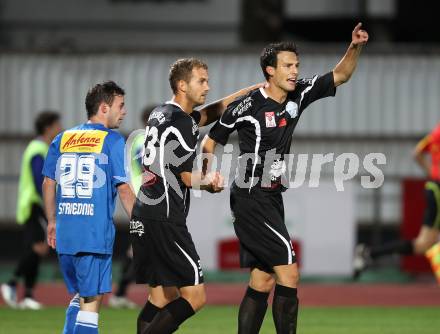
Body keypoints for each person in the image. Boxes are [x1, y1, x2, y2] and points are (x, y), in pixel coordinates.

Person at [201, 23, 368, 333]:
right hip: (251, 198)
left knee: (262, 279)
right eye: (288, 66)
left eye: (296, 65)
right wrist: (208, 173)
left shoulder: (300, 92)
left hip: (271, 197)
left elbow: (341, 75)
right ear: (270, 70)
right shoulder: (247, 106)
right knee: (289, 274)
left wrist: (355, 46)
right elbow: (211, 142)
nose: (294, 71)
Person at [130, 58, 263, 334]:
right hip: (166, 217)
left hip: (144, 214)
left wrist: (248, 93)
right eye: (201, 81)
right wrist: (210, 183)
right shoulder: (183, 124)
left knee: (161, 298)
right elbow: (185, 176)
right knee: (195, 297)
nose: (207, 86)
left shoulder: (161, 113)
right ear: (182, 85)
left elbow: (209, 112)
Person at [42, 81, 135, 334]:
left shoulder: (63, 138)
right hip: (93, 236)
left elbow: (48, 182)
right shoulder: (113, 140)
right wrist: (142, 226)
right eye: (121, 105)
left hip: (66, 236)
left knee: (80, 297)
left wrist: (51, 221)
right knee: (91, 305)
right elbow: (124, 189)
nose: (124, 111)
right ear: (104, 108)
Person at [354, 122, 440, 279]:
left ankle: (371, 253)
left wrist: (432, 172)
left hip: (434, 187)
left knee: (423, 244)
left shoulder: (436, 132)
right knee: (427, 243)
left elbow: (417, 152)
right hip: (438, 188)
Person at [1, 111, 61, 310]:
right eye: (57, 125)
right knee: (38, 247)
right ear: (48, 127)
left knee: (37, 248)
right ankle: (11, 283)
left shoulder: (40, 147)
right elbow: (39, 179)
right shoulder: (38, 148)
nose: (60, 128)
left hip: (34, 205)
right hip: (34, 205)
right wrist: (48, 204)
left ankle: (27, 294)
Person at [109, 105, 156, 309]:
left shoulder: (138, 141)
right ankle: (158, 294)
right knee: (143, 250)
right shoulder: (145, 141)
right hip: (144, 203)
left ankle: (120, 293)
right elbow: (145, 173)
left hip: (140, 202)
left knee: (136, 249)